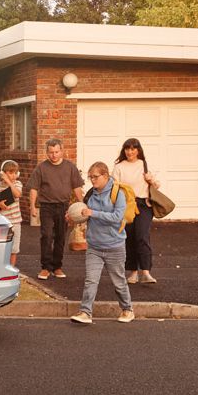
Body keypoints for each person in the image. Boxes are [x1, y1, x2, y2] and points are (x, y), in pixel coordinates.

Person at [69, 161, 136, 325]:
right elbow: (85, 212)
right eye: (90, 177)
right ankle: (85, 312)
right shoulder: (91, 193)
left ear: (105, 176)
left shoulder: (117, 193)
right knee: (91, 280)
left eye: (95, 177)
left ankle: (127, 309)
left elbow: (117, 218)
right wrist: (76, 215)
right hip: (94, 246)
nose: (92, 180)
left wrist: (93, 213)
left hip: (115, 246)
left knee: (119, 282)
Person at [26, 138, 85, 280]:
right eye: (51, 152)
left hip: (64, 207)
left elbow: (77, 187)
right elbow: (34, 188)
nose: (54, 155)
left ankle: (57, 267)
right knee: (46, 236)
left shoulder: (70, 167)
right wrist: (32, 206)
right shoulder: (41, 168)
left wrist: (82, 205)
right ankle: (46, 267)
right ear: (47, 152)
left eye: (57, 152)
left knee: (60, 237)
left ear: (62, 151)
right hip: (46, 207)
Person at [114, 137, 158, 284]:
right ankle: (133, 273)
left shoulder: (143, 164)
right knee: (130, 238)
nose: (130, 152)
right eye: (127, 149)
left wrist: (150, 179)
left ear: (138, 150)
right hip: (126, 204)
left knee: (142, 236)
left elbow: (157, 186)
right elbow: (114, 187)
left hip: (144, 205)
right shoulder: (119, 167)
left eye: (133, 149)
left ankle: (146, 272)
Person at [0, 160, 23, 261]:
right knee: (1, 250)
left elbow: (17, 194)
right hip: (2, 223)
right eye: (10, 173)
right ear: (2, 173)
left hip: (15, 223)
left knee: (14, 250)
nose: (13, 175)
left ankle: (10, 272)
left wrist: (8, 182)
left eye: (15, 173)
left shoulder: (17, 184)